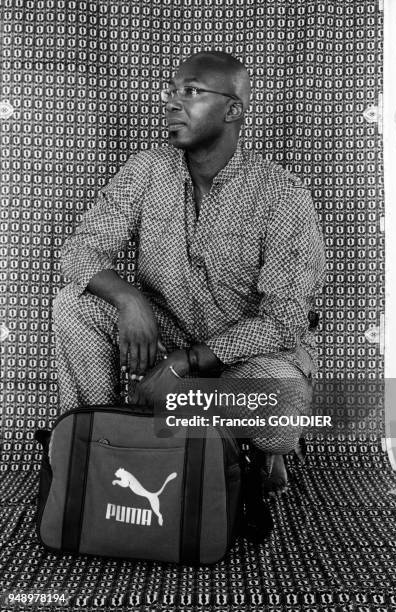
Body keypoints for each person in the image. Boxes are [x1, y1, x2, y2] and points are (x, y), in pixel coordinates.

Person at [53, 50, 325, 540]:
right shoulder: (146, 171)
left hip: (246, 354)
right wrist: (129, 300)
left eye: (192, 92)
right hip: (167, 331)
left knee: (281, 409)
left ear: (234, 110)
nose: (173, 103)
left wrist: (185, 364)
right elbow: (79, 250)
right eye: (171, 91)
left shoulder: (283, 194)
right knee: (74, 304)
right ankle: (105, 441)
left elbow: (284, 319)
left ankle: (249, 453)